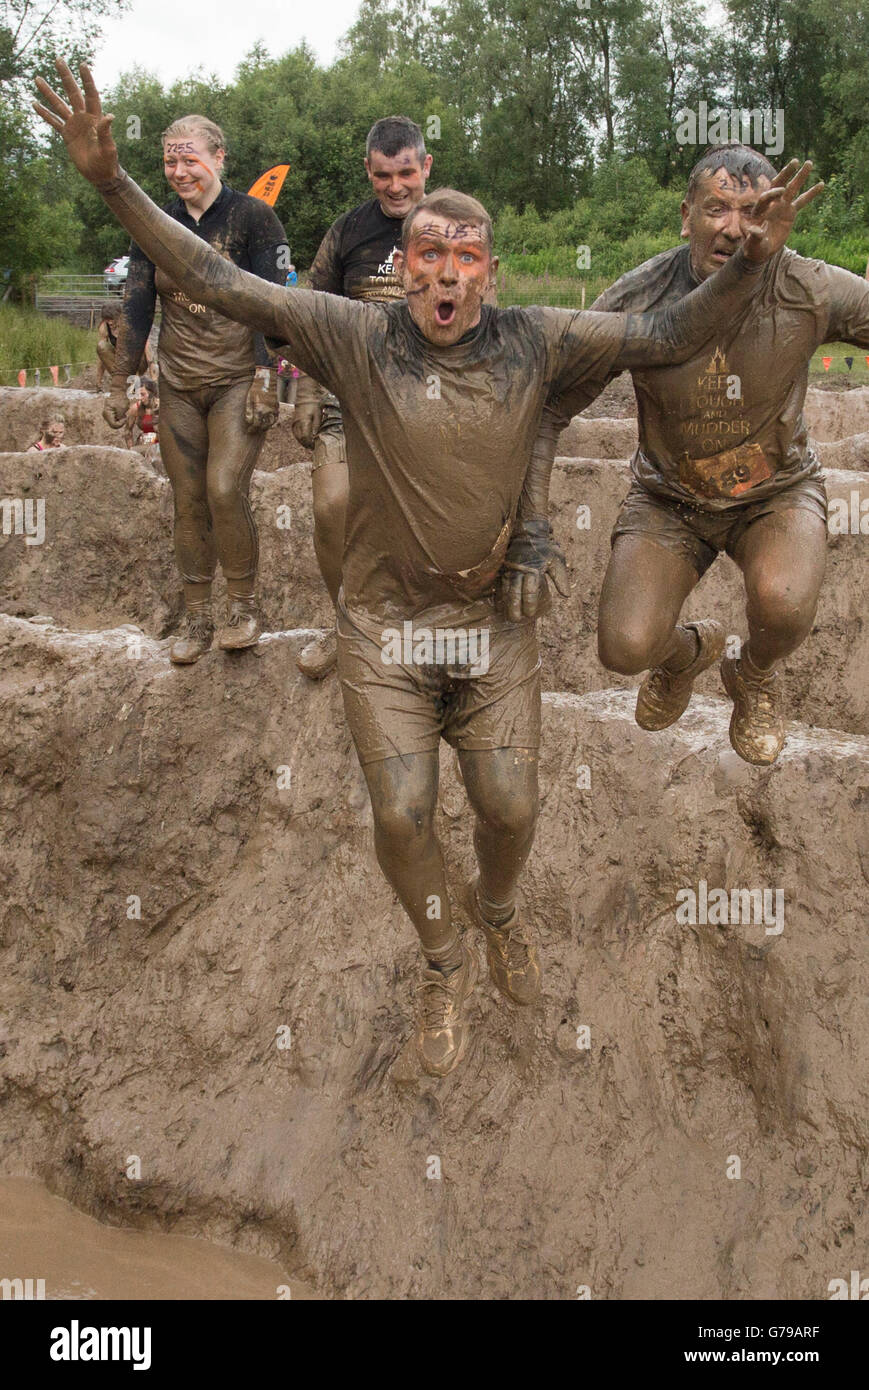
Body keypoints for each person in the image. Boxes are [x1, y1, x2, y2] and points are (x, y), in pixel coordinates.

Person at [35, 61, 816, 1076]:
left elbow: (668, 328)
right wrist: (110, 184)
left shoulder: (535, 343)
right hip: (383, 627)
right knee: (402, 812)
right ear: (399, 272)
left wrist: (752, 261)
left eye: (464, 256)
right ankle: (441, 957)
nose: (444, 272)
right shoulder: (354, 338)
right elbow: (217, 278)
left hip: (490, 627)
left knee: (511, 810)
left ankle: (494, 911)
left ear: (488, 274)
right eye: (426, 255)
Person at [538, 143, 840, 765]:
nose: (734, 228)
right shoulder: (641, 295)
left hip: (776, 491)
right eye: (716, 209)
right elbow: (557, 394)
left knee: (784, 603)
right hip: (670, 499)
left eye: (751, 211)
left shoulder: (806, 284)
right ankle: (689, 654)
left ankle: (751, 673)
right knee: (624, 645)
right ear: (686, 216)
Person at [92, 109, 289, 664]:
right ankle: (197, 615)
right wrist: (122, 379)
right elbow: (136, 299)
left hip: (235, 377)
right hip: (178, 380)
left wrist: (264, 373)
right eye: (169, 160)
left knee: (225, 489)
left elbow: (271, 301)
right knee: (188, 499)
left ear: (219, 157)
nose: (179, 170)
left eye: (190, 158)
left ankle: (244, 605)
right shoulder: (153, 221)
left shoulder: (253, 219)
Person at [292, 115, 432, 680]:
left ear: (425, 167)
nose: (396, 186)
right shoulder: (347, 232)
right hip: (345, 396)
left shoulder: (453, 224)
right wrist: (304, 389)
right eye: (383, 175)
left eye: (405, 173)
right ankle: (347, 624)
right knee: (332, 507)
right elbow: (307, 312)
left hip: (428, 398)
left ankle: (422, 631)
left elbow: (487, 315)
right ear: (368, 172)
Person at [95, 301, 152, 390]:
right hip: (122, 362)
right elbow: (102, 357)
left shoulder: (130, 323)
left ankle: (134, 383)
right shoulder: (104, 328)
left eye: (112, 319)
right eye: (107, 320)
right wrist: (98, 381)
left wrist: (153, 376)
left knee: (131, 348)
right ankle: (121, 380)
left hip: (139, 361)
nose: (110, 323)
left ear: (120, 316)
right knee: (101, 346)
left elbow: (146, 346)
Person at [124, 377, 159, 448]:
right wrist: (131, 450)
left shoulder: (163, 406)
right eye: (138, 394)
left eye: (143, 394)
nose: (140, 398)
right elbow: (127, 430)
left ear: (152, 393)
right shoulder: (135, 408)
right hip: (144, 444)